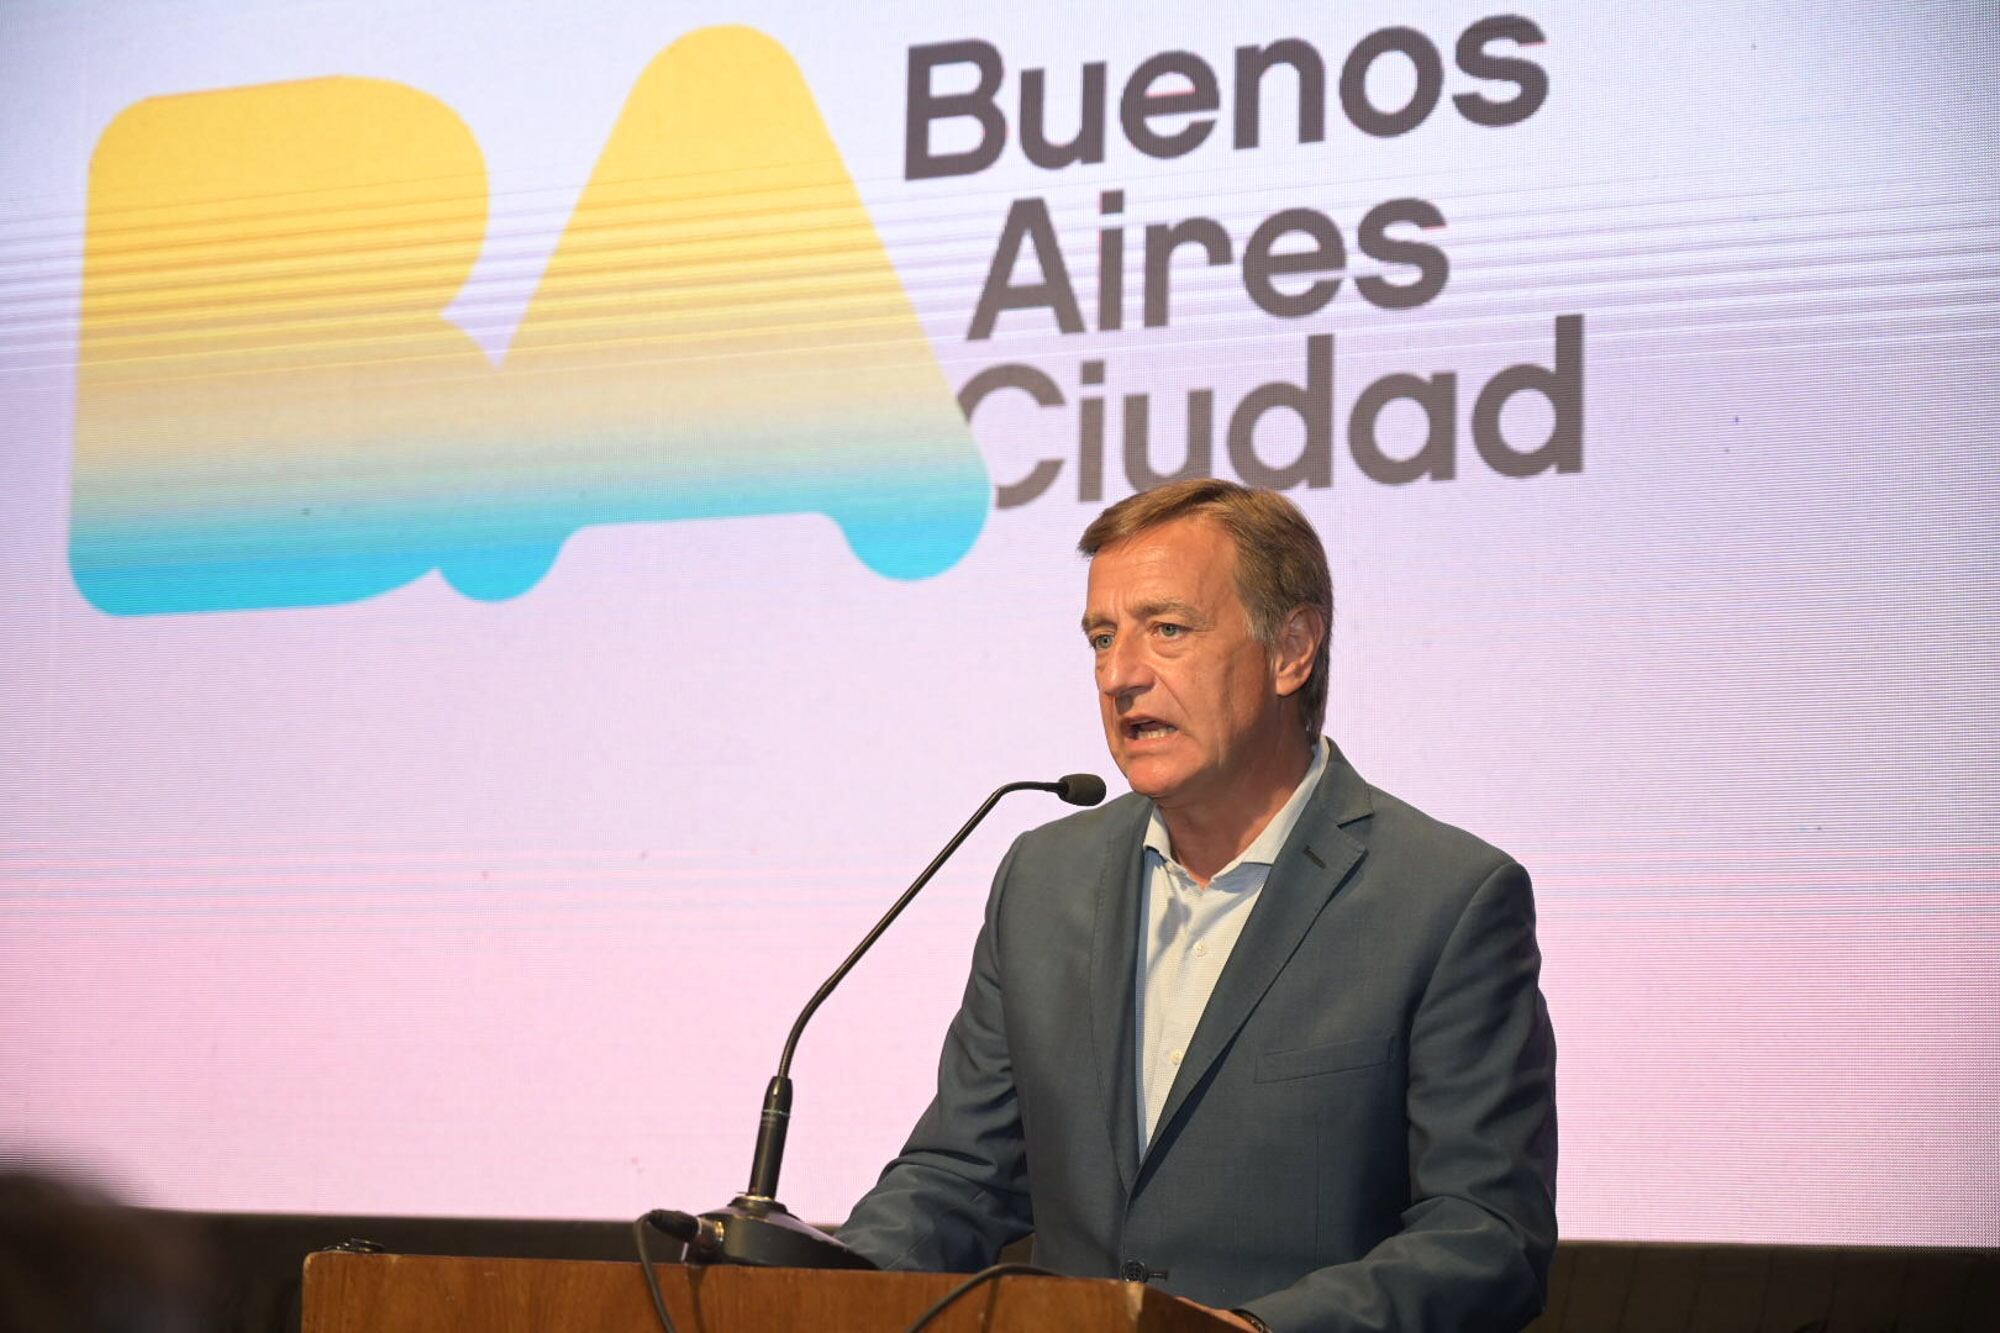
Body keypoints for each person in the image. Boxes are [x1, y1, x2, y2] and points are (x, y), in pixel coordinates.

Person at [840, 479, 1557, 1332]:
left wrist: (1254, 1331)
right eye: (1101, 638)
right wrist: (819, 1283)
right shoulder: (1044, 878)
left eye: (1166, 630)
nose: (1119, 675)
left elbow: (1485, 1233)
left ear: (1292, 649)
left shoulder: (1444, 899)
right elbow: (964, 1175)